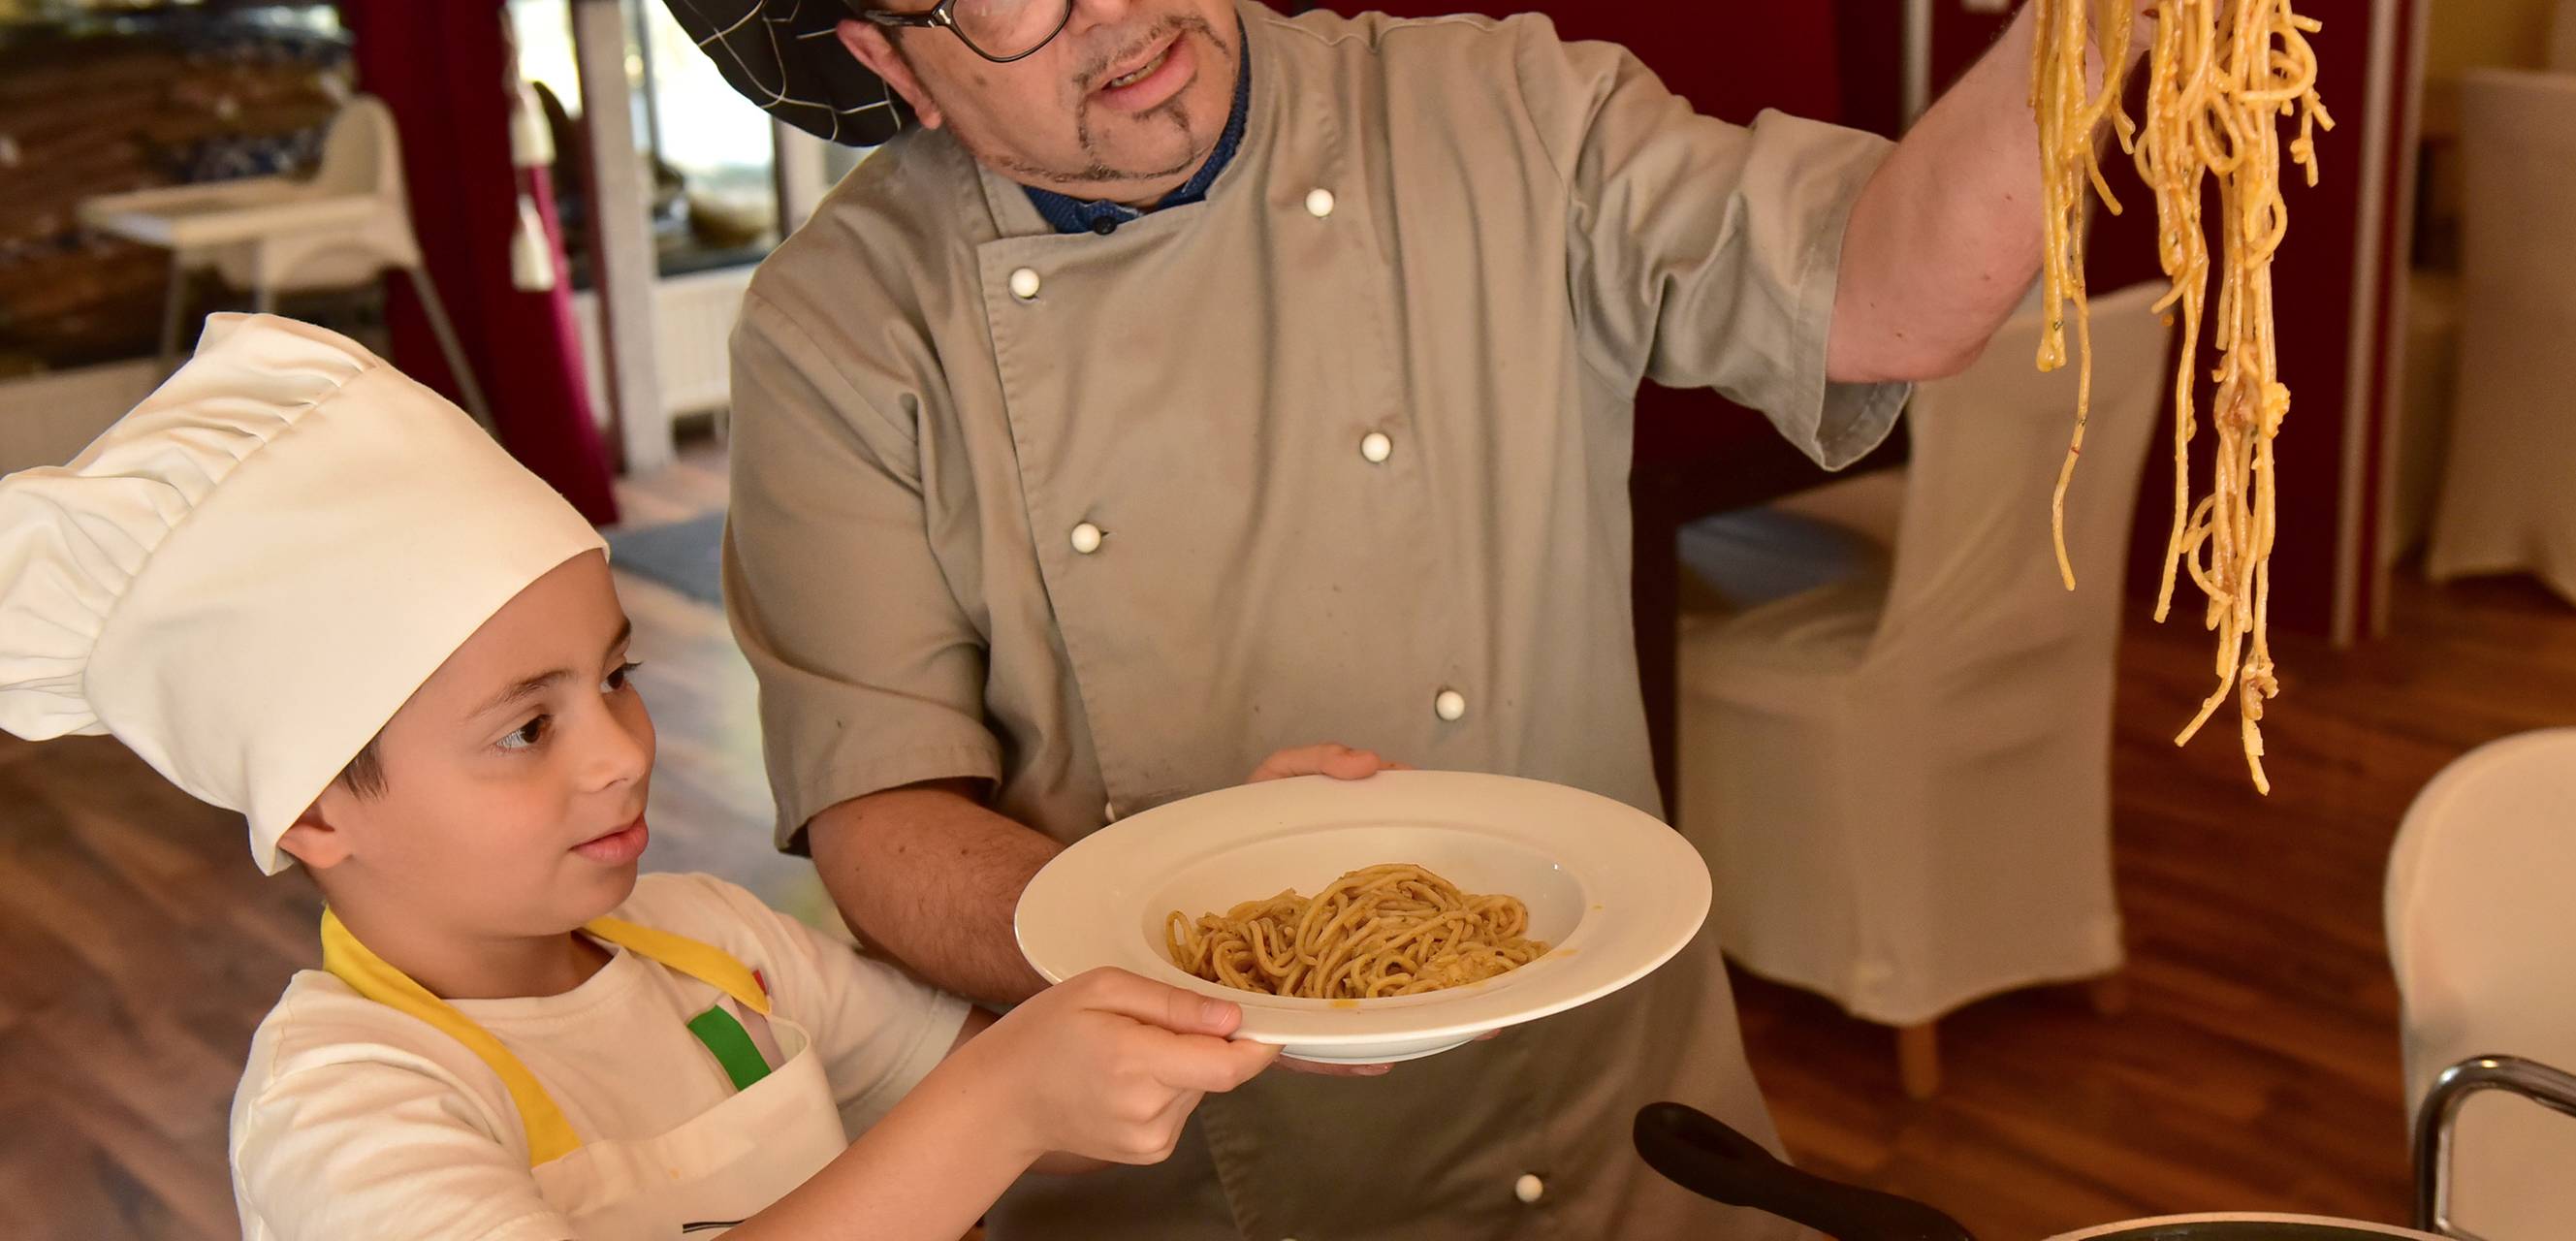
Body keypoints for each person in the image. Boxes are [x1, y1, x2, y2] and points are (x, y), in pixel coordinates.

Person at [663, 0, 2149, 1235]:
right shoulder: (840, 326)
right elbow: (880, 823)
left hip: (1613, 1137)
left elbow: (1886, 294)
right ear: (888, 56)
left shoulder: (1495, 108)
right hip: (1188, 1183)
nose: (1112, 13)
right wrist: (1193, 932)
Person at [0, 313, 1314, 1241]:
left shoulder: (711, 947)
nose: (620, 750)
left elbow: (1059, 1097)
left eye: (613, 677)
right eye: (526, 728)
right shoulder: (344, 1113)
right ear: (316, 809)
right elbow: (997, 1100)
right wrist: (1000, 1102)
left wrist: (1244, 921)